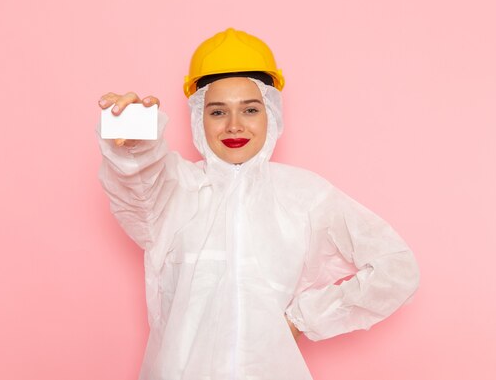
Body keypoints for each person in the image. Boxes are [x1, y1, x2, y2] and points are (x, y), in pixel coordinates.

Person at [96, 27, 420, 380]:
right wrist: (133, 145)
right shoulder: (175, 187)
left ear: (271, 114)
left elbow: (396, 268)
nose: (234, 126)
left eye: (250, 109)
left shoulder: (304, 194)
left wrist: (305, 317)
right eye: (217, 112)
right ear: (197, 118)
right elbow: (137, 186)